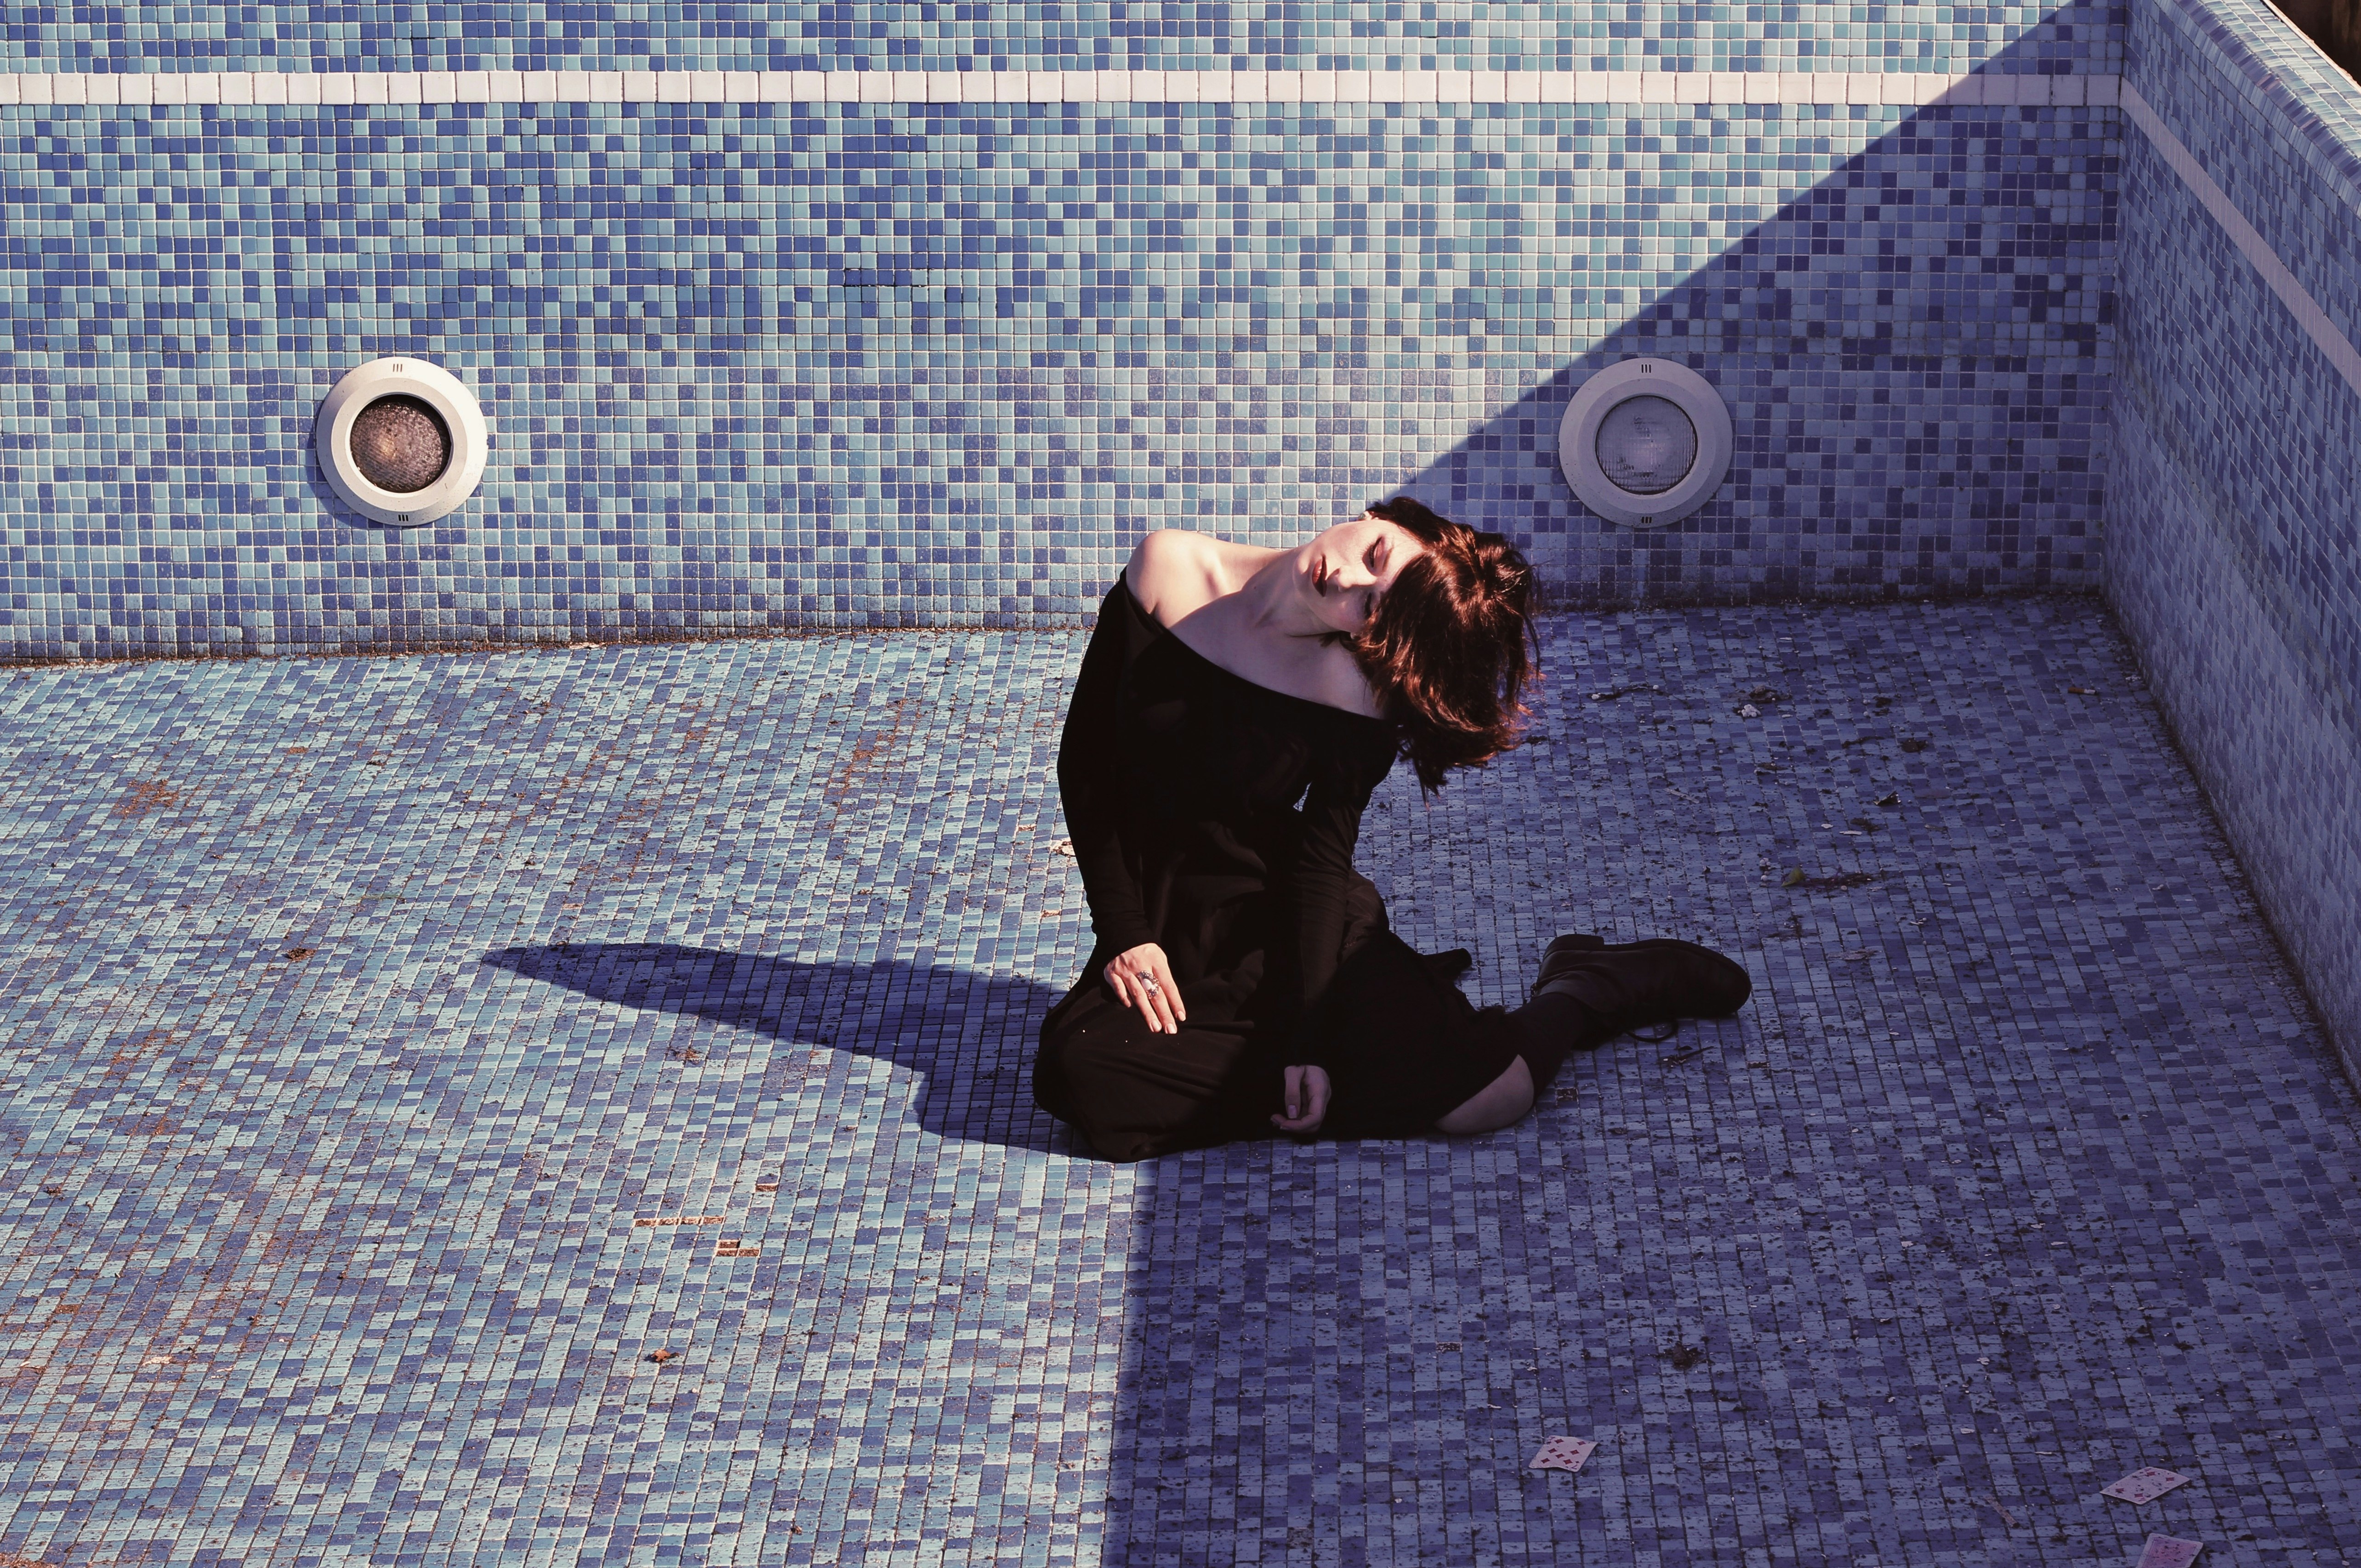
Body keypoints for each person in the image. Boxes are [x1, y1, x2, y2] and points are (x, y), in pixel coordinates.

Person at [1032, 497, 1752, 1162]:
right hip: (1163, 916)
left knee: (1489, 1099)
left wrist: (1304, 1043)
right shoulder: (1170, 570)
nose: (1341, 578)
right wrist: (1125, 932)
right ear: (1379, 515)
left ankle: (1586, 988)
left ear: (1373, 636)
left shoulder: (1354, 692)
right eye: (1373, 554)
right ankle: (1357, 1064)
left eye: (1367, 605)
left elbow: (1317, 864)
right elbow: (1086, 765)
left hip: (1280, 923)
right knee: (1085, 1076)